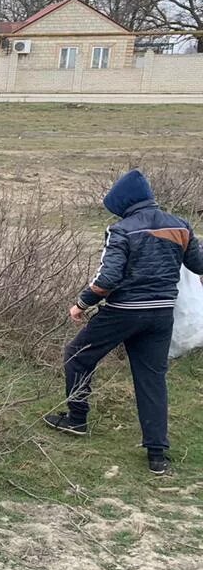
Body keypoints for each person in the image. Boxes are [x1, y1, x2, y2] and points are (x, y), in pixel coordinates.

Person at [45, 169, 203, 475]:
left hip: (124, 311)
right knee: (152, 379)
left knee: (78, 357)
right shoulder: (181, 226)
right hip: (161, 315)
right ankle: (157, 456)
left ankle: (76, 420)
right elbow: (198, 264)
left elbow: (108, 279)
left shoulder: (121, 230)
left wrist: (81, 304)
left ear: (124, 203)